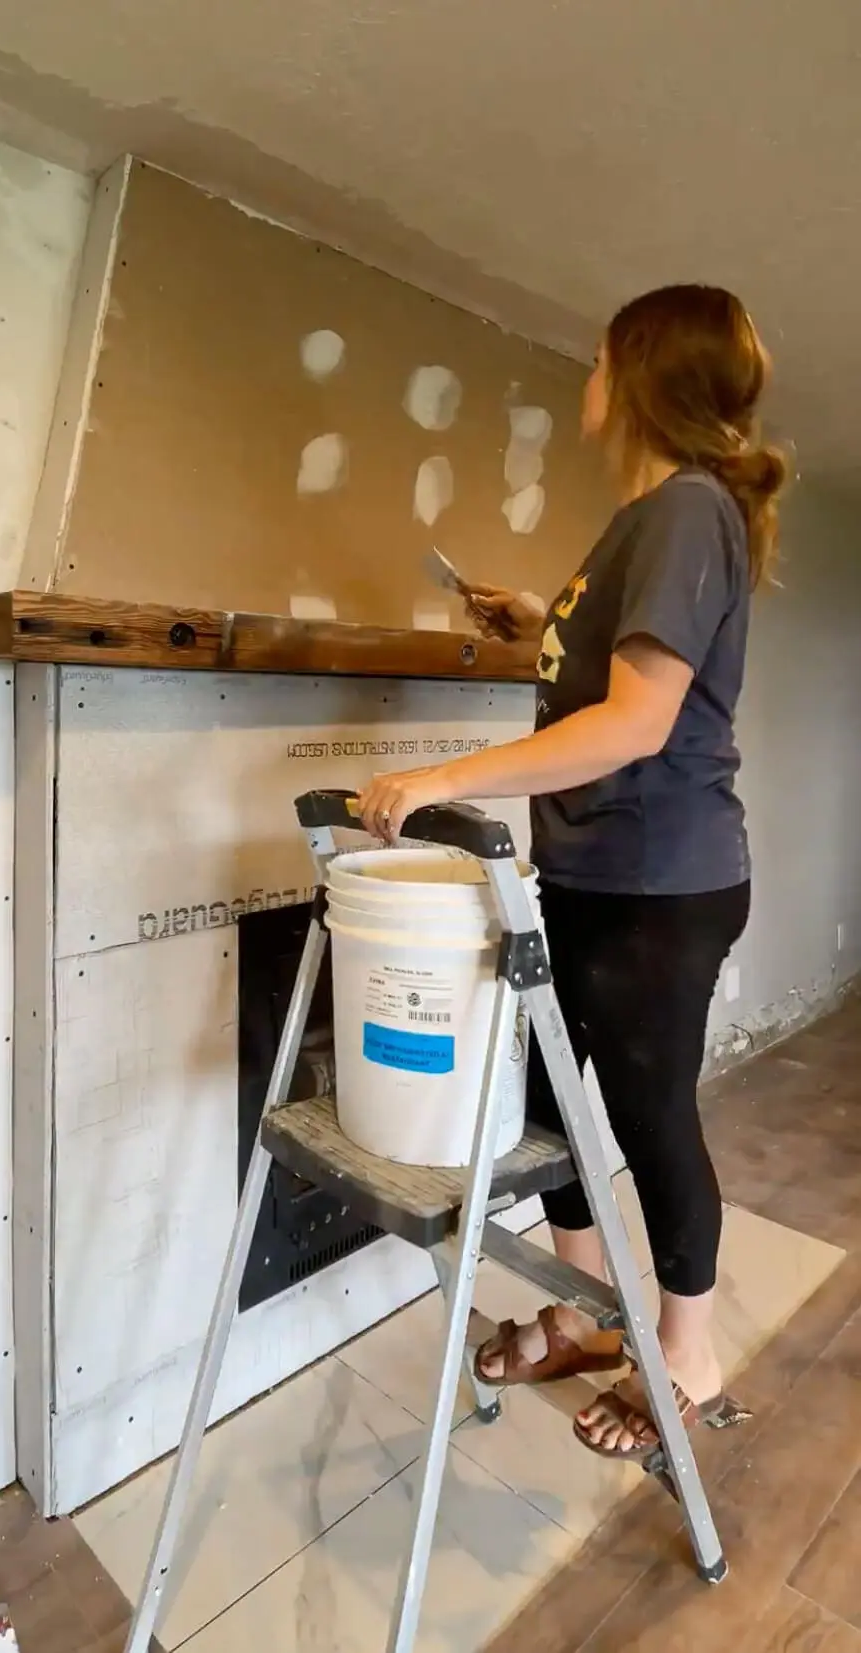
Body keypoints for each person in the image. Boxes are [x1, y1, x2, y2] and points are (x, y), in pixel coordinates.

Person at [357, 284, 786, 1461]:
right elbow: (615, 668)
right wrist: (531, 621)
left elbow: (638, 723)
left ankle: (686, 1351)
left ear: (636, 377)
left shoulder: (688, 510)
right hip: (594, 873)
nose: (584, 386)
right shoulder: (639, 526)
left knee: (648, 1118)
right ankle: (585, 1315)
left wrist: (445, 776)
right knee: (550, 1101)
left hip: (664, 882)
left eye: (598, 364)